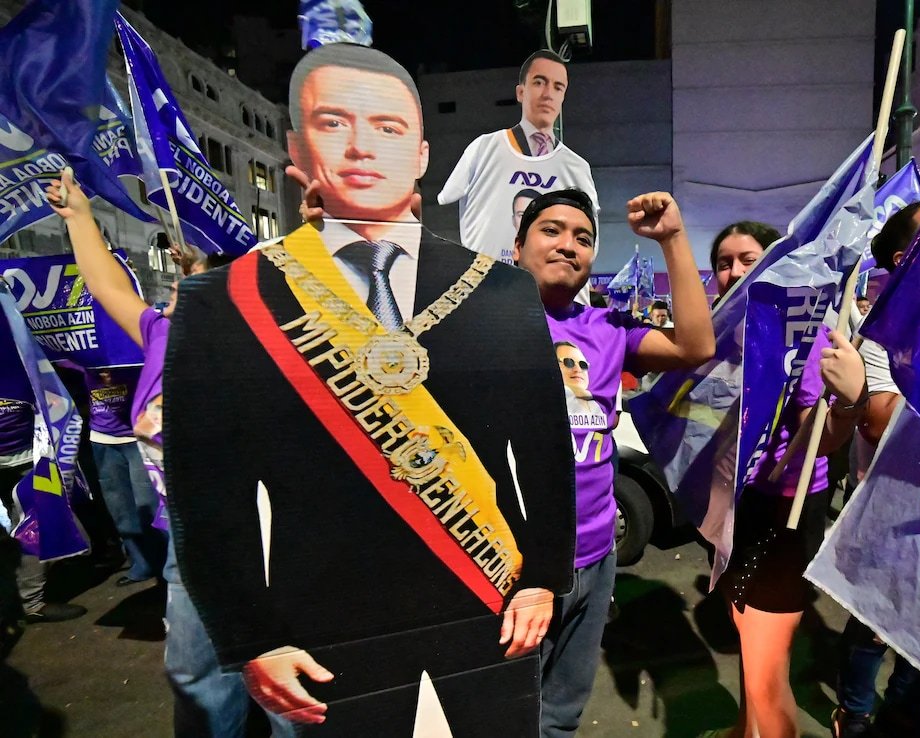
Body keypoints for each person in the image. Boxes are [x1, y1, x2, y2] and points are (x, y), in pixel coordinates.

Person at [166, 43, 576, 737]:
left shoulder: (501, 291)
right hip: (321, 622)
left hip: (489, 598)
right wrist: (250, 636)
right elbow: (206, 492)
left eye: (388, 127)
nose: (361, 146)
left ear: (421, 153)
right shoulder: (229, 299)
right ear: (296, 147)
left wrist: (542, 577)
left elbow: (543, 455)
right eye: (333, 123)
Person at [44, 170, 262, 736]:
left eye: (187, 292)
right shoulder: (160, 336)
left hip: (266, 543)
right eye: (172, 294)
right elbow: (106, 286)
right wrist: (80, 218)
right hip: (187, 545)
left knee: (286, 693)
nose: (167, 303)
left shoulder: (263, 351)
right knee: (196, 680)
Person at [512, 188, 715, 737]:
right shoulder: (487, 325)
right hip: (518, 567)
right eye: (551, 230)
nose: (568, 244)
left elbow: (696, 346)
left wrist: (673, 238)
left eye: (583, 237)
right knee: (508, 711)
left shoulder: (608, 329)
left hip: (597, 556)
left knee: (561, 714)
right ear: (517, 247)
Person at [708, 221, 868, 738]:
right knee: (744, 629)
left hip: (785, 508)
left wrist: (850, 402)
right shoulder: (725, 334)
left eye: (747, 259)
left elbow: (818, 436)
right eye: (723, 262)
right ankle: (743, 729)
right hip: (737, 503)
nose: (733, 271)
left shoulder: (800, 334)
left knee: (765, 659)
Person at [832, 201, 920, 738]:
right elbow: (877, 420)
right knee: (875, 623)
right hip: (889, 506)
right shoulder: (884, 329)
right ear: (905, 256)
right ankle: (854, 713)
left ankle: (904, 713)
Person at [438, 50, 599, 265]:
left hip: (545, 284)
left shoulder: (577, 167)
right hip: (487, 280)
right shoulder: (484, 148)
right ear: (521, 92)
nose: (548, 94)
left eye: (558, 87)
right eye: (539, 82)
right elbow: (445, 198)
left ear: (563, 97)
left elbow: (591, 242)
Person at [0, 398, 86, 624]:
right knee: (30, 526)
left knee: (32, 522)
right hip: (10, 464)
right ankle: (30, 603)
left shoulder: (18, 375)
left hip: (33, 455)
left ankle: (24, 598)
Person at [83, 367, 165, 586]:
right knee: (120, 508)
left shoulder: (129, 354)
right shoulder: (82, 357)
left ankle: (164, 568)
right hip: (103, 438)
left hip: (137, 435)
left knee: (148, 504)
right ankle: (141, 564)